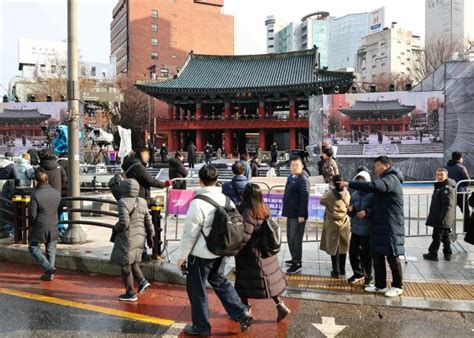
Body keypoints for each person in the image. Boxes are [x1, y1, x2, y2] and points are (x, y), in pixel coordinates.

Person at [176, 165, 253, 336]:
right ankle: (241, 312)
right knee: (218, 279)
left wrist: (181, 257)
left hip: (201, 254)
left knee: (197, 289)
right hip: (222, 250)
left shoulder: (198, 202)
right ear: (217, 180)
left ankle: (201, 327)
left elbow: (190, 233)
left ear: (200, 181)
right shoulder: (226, 199)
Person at [338, 156, 405, 298]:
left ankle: (397, 286)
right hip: (379, 224)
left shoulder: (391, 179)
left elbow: (373, 186)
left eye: (377, 166)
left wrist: (348, 183)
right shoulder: (386, 179)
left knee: (392, 255)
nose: (375, 169)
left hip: (390, 224)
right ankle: (380, 285)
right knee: (378, 255)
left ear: (385, 166)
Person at [235, 183, 290, 322]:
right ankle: (280, 305)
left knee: (243, 284)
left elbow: (245, 236)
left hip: (251, 255)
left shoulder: (248, 211)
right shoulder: (263, 208)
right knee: (268, 282)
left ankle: (246, 310)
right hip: (265, 253)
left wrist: (233, 250)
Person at [110, 179, 154, 302]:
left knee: (125, 264)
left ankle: (130, 293)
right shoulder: (142, 201)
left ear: (123, 189)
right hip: (140, 237)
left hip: (127, 238)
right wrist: (151, 235)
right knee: (132, 260)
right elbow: (148, 221)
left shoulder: (123, 202)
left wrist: (115, 228)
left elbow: (124, 223)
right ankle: (142, 281)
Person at [28, 172, 62, 281]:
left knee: (33, 248)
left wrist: (31, 225)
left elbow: (32, 214)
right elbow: (59, 208)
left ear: (37, 181)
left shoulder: (35, 195)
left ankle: (48, 268)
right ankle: (49, 274)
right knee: (51, 250)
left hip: (40, 225)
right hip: (53, 223)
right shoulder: (56, 193)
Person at [282, 156, 310, 274]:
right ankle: (294, 257)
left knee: (296, 238)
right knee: (290, 237)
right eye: (292, 165)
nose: (293, 167)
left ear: (302, 166)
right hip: (290, 213)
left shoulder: (303, 179)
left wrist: (302, 214)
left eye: (296, 165)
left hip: (298, 215)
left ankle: (297, 262)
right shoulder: (290, 178)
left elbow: (304, 198)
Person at [320, 175, 351, 278]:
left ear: (333, 183)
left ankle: (335, 270)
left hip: (332, 223)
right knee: (343, 245)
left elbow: (322, 201)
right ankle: (342, 269)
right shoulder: (347, 194)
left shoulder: (329, 195)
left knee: (334, 247)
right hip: (344, 223)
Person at [347, 170, 374, 286]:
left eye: (362, 181)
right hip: (355, 230)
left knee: (366, 256)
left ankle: (369, 277)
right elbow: (351, 212)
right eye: (358, 181)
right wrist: (350, 211)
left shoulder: (373, 194)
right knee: (352, 253)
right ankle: (358, 273)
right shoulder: (354, 195)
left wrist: (367, 212)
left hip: (367, 231)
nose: (360, 183)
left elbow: (377, 209)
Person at [423, 168, 456, 261]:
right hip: (440, 217)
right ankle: (447, 252)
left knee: (437, 236)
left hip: (442, 218)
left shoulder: (446, 188)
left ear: (446, 176)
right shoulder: (440, 186)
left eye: (441, 175)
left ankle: (433, 253)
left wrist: (442, 219)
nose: (439, 177)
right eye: (437, 175)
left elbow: (447, 205)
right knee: (445, 236)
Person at [445, 151, 470, 231]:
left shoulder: (445, 167)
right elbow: (467, 182)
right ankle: (467, 229)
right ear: (460, 158)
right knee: (466, 212)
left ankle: (447, 229)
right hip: (460, 193)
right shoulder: (461, 167)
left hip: (449, 193)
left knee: (449, 212)